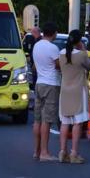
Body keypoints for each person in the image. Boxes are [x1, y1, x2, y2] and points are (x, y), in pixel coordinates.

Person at [58, 30, 90, 164]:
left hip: (65, 91)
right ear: (79, 41)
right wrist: (84, 50)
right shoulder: (81, 55)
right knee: (78, 122)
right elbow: (89, 66)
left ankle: (62, 151)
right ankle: (74, 153)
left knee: (65, 122)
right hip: (78, 91)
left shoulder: (61, 54)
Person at [32, 22, 61, 162]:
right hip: (51, 84)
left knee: (37, 119)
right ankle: (44, 152)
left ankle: (36, 151)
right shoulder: (53, 48)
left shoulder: (37, 45)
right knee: (47, 120)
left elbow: (35, 65)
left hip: (39, 83)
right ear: (54, 33)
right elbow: (58, 65)